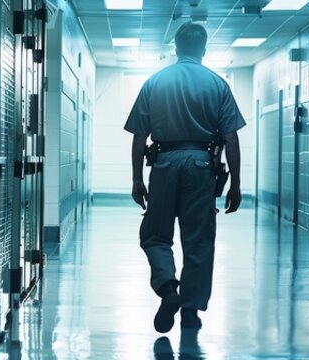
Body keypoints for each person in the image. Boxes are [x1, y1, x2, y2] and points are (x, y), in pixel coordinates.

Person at [124, 22, 245, 333]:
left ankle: (168, 289)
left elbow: (140, 136)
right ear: (203, 50)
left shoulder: (155, 81)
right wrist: (236, 184)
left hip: (163, 164)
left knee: (155, 235)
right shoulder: (218, 84)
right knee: (199, 242)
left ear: (176, 48)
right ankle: (190, 311)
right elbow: (230, 137)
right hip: (202, 166)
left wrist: (137, 178)